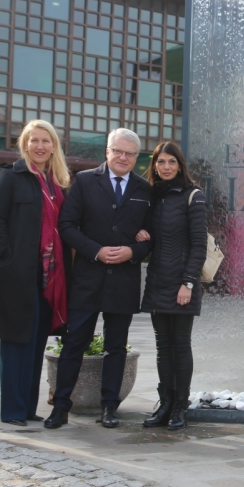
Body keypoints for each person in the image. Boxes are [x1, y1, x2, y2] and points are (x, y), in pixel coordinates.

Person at [45, 129, 152, 429]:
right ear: (107, 151)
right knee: (74, 343)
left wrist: (132, 251)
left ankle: (109, 407)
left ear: (136, 157)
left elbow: (152, 237)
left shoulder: (145, 189)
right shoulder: (84, 181)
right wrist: (96, 251)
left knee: (116, 346)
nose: (123, 157)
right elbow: (67, 226)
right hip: (88, 278)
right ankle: (61, 406)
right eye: (118, 151)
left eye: (130, 153)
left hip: (123, 280)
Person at [0, 120, 70, 426]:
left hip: (48, 276)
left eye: (45, 140)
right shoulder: (11, 176)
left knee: (36, 344)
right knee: (16, 342)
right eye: (33, 140)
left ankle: (27, 408)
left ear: (53, 146)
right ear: (24, 144)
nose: (39, 146)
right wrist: (8, 256)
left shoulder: (57, 183)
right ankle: (12, 410)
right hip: (18, 273)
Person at [138, 141, 207, 431]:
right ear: (154, 165)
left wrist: (188, 283)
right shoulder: (153, 196)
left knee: (180, 344)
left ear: (180, 166)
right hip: (157, 281)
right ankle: (165, 404)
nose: (165, 167)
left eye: (171, 162)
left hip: (182, 284)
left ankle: (180, 406)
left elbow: (199, 245)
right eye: (160, 162)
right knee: (162, 347)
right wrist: (141, 232)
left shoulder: (193, 195)